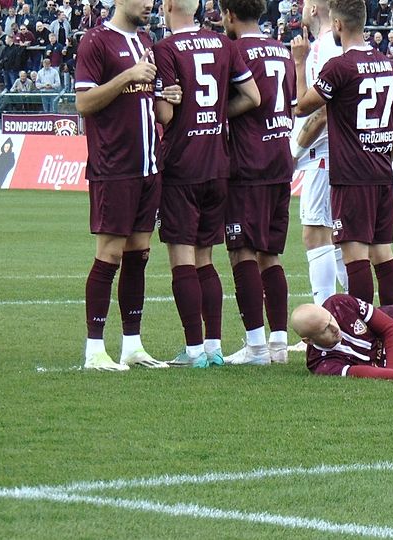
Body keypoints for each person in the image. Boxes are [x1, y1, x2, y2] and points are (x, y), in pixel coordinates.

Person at [152, 0, 260, 368]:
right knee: (206, 259)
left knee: (182, 258)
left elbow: (165, 114)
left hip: (183, 164)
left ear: (169, 6)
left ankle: (194, 350)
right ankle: (214, 348)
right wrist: (215, 114)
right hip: (218, 162)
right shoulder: (223, 44)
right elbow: (253, 96)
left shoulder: (166, 49)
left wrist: (166, 103)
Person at [73, 0, 171, 371]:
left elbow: (153, 106)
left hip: (148, 166)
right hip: (114, 167)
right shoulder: (95, 41)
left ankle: (132, 345)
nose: (149, 4)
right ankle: (95, 349)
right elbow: (84, 102)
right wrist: (127, 76)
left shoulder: (146, 41)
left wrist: (168, 98)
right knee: (109, 254)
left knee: (139, 254)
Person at [292, 0, 393, 308]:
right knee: (383, 254)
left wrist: (300, 64)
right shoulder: (387, 64)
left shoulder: (339, 67)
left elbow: (303, 107)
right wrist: (385, 159)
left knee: (354, 256)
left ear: (338, 25)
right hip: (381, 171)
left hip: (351, 174)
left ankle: (363, 328)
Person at [219, 0, 298, 365]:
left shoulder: (234, 51)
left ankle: (255, 346)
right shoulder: (282, 50)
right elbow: (291, 103)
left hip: (248, 161)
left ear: (230, 15)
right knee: (270, 253)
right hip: (281, 158)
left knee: (242, 250)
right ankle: (278, 344)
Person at [289, 0, 348, 310]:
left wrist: (295, 152)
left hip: (323, 152)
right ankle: (355, 315)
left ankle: (327, 317)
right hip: (332, 151)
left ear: (313, 10)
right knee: (334, 238)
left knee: (316, 233)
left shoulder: (324, 48)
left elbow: (323, 109)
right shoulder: (327, 46)